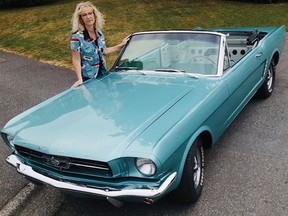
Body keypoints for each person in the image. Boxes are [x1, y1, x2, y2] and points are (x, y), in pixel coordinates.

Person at [70, 1, 130, 87]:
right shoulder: (76, 37)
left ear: (94, 15)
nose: (88, 17)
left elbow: (104, 51)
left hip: (103, 75)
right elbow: (76, 59)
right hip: (88, 78)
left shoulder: (99, 33)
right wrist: (80, 79)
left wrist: (121, 45)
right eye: (84, 15)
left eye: (90, 13)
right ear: (81, 19)